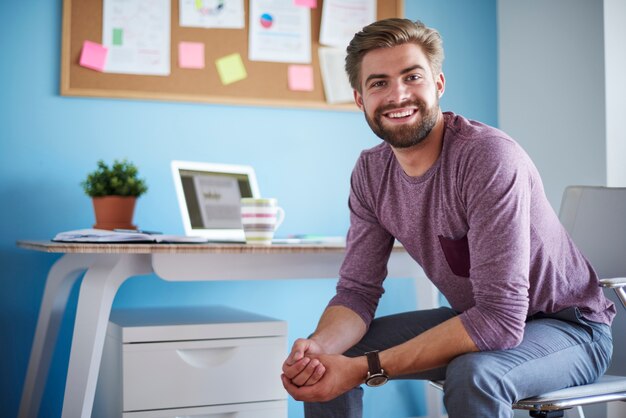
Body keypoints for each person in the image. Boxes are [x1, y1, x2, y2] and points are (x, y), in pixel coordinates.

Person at [280, 18, 615, 418]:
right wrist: (318, 348)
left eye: (412, 76)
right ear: (360, 99)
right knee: (333, 356)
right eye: (379, 83)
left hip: (571, 330)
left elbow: (501, 319)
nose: (398, 94)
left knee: (474, 374)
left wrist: (364, 370)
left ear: (438, 84)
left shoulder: (487, 158)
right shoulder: (371, 174)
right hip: (478, 318)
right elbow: (356, 292)